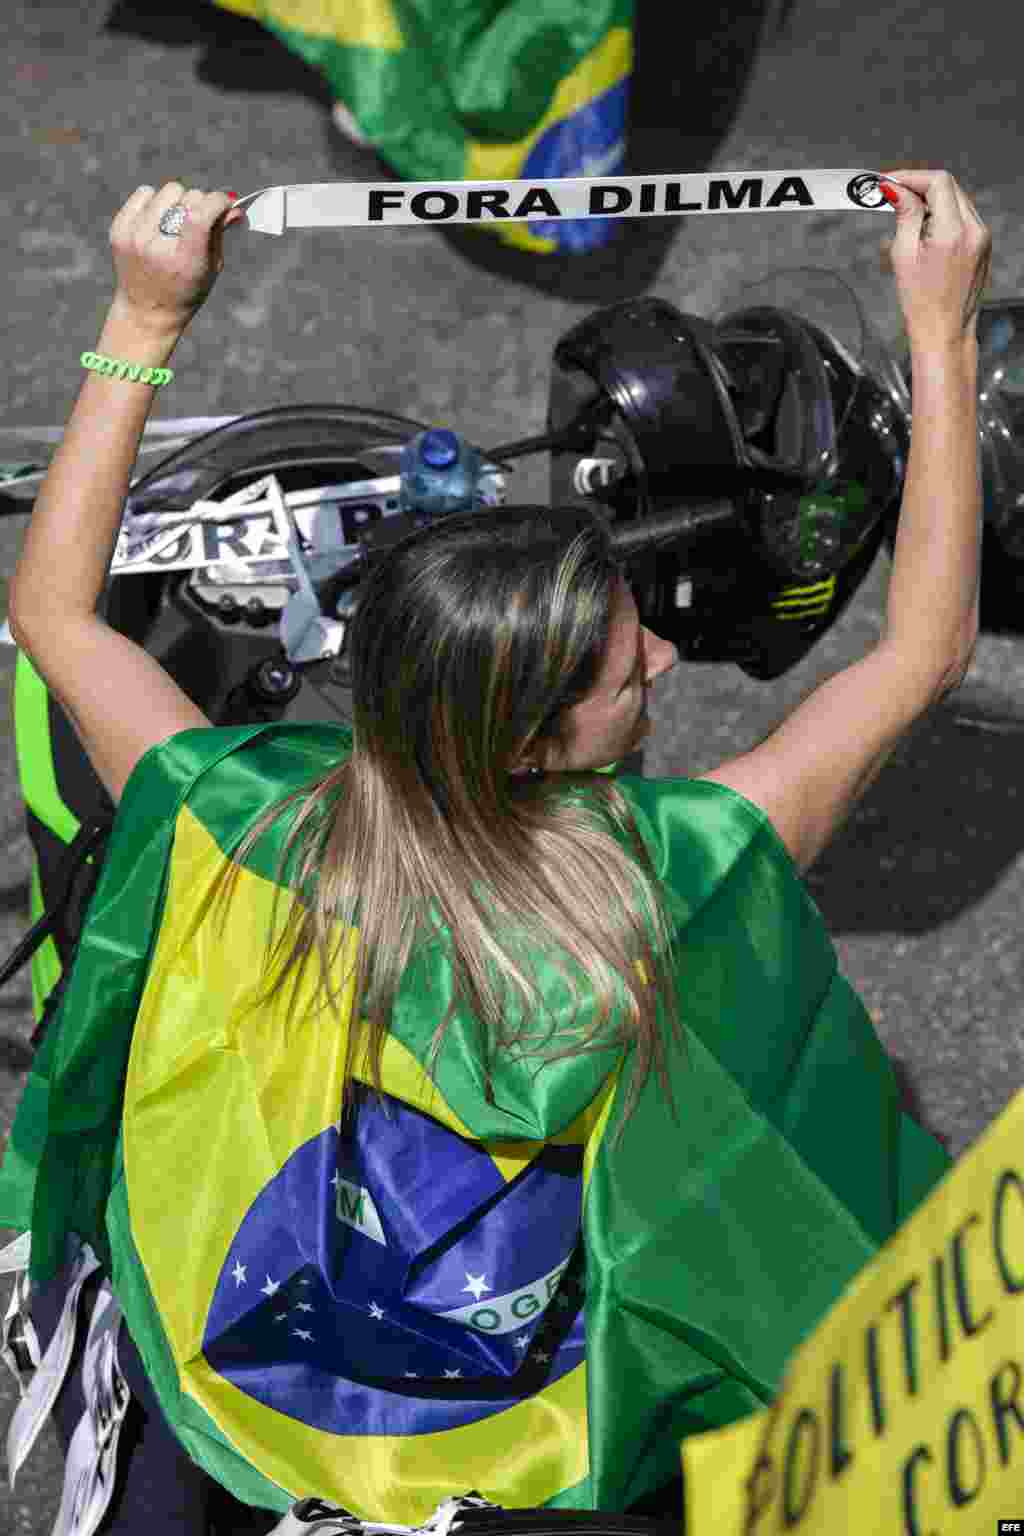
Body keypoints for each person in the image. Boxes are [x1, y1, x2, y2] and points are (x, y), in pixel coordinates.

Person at [0, 168, 991, 1533]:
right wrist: (939, 335)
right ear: (526, 743)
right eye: (620, 658)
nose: (658, 653)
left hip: (267, 1407)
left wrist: (142, 320)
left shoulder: (236, 824)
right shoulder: (682, 870)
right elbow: (925, 653)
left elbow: (56, 615)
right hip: (532, 1446)